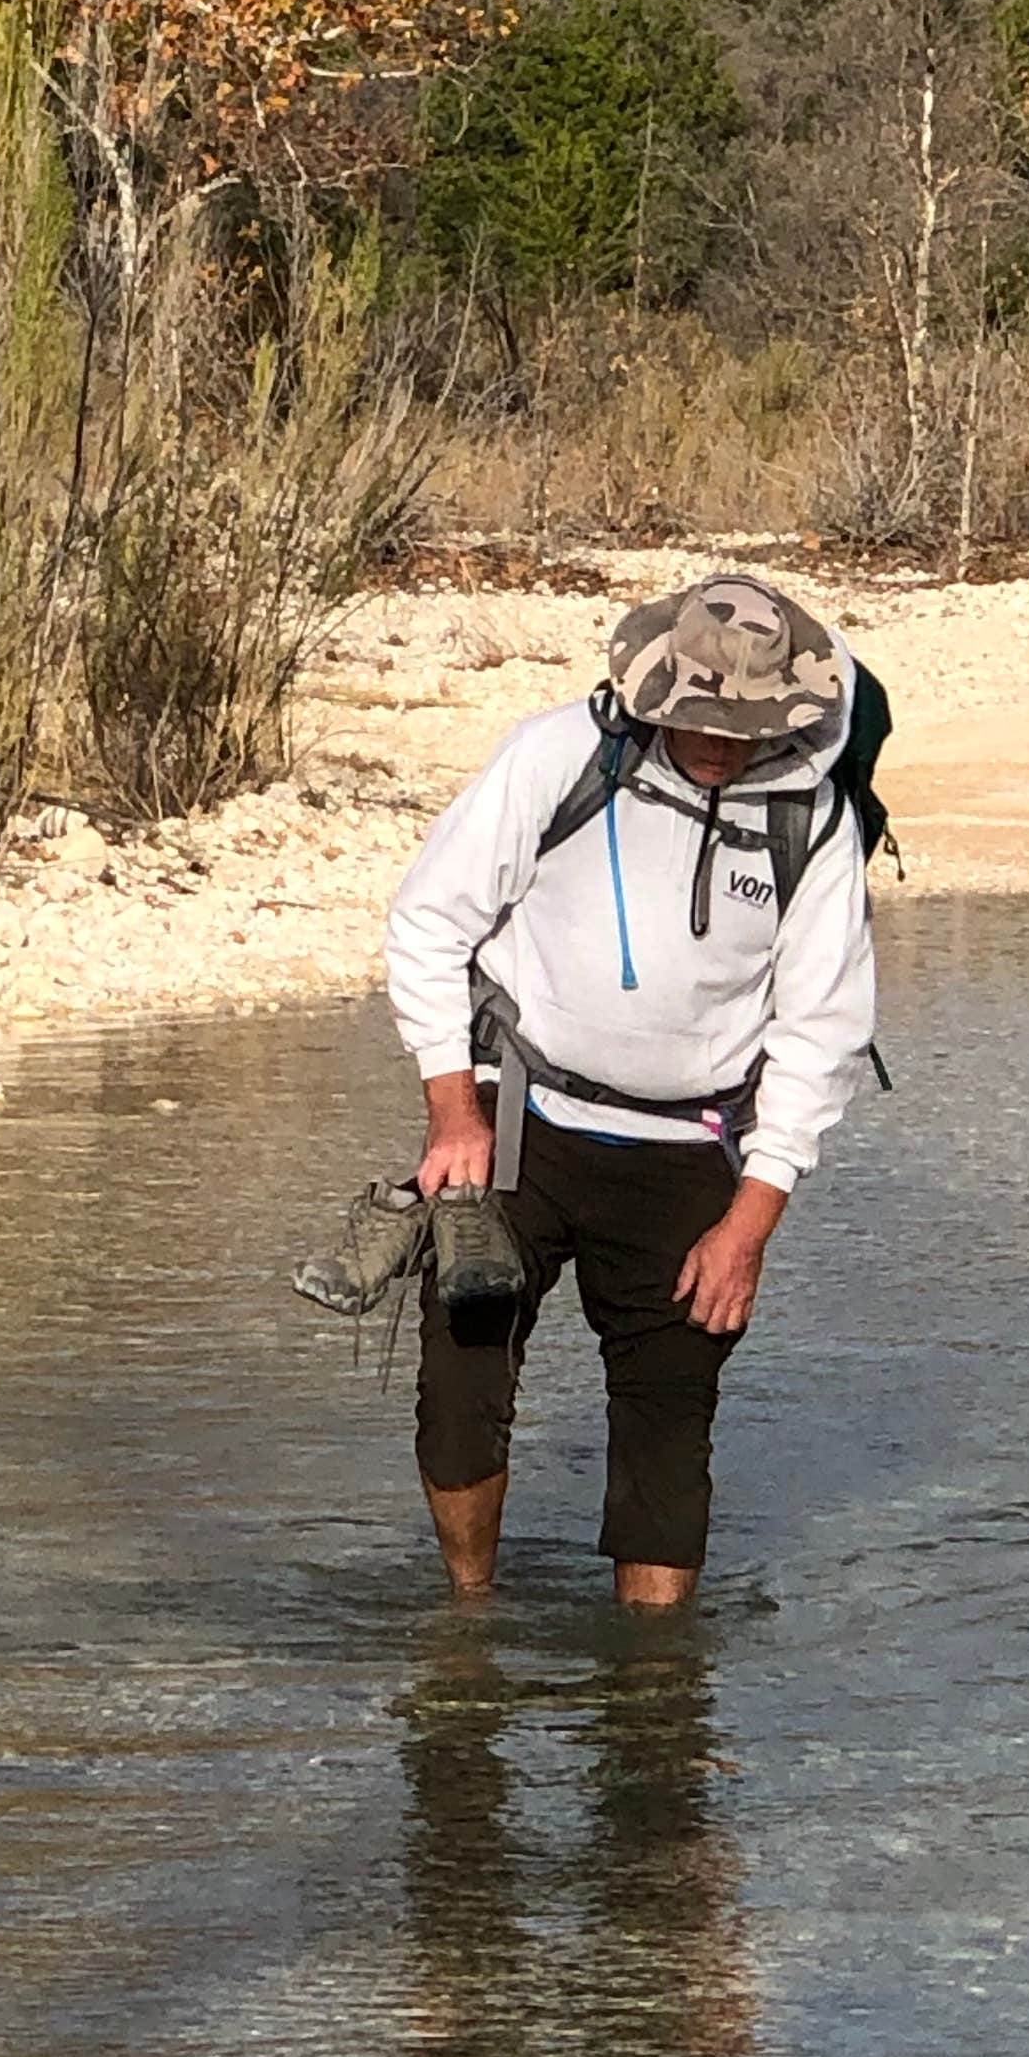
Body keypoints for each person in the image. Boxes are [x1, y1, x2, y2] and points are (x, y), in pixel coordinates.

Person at [381, 572, 882, 1611]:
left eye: (744, 722)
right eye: (696, 715)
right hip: (521, 1123)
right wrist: (452, 1110)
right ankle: (468, 1617)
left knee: (667, 1428)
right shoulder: (556, 757)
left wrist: (752, 1219)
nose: (717, 738)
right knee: (460, 1385)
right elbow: (430, 924)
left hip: (696, 1153)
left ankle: (654, 1710)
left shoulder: (815, 820)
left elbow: (821, 1033)